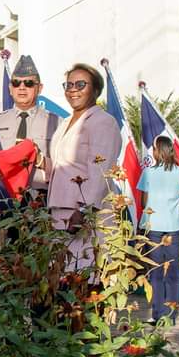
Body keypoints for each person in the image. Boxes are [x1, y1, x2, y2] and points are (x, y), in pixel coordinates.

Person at [46, 63, 122, 274]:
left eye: (81, 84)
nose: (73, 89)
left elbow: (100, 171)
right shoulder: (65, 122)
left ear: (95, 90)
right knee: (61, 281)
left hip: (85, 216)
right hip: (60, 213)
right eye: (69, 84)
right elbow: (62, 166)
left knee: (82, 279)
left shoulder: (102, 122)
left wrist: (83, 211)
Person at [0, 55, 59, 199]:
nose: (22, 87)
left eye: (29, 83)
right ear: (10, 88)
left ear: (39, 88)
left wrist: (40, 159)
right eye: (16, 83)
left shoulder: (56, 123)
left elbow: (65, 167)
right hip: (2, 197)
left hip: (39, 198)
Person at [137, 136, 179, 324]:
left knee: (156, 270)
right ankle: (172, 314)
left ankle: (158, 313)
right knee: (173, 269)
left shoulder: (148, 173)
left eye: (154, 150)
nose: (153, 153)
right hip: (174, 225)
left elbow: (143, 201)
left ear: (159, 151)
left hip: (154, 225)